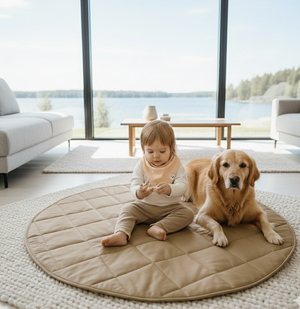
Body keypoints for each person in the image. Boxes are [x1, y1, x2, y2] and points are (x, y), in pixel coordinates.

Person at [101, 119, 194, 247]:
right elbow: (134, 185)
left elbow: (183, 186)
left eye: (162, 151)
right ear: (143, 149)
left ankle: (158, 227)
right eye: (150, 152)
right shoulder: (141, 165)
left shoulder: (177, 165)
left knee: (188, 214)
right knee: (127, 209)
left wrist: (170, 189)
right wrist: (139, 192)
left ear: (171, 148)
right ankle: (121, 234)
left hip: (171, 208)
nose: (156, 156)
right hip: (144, 207)